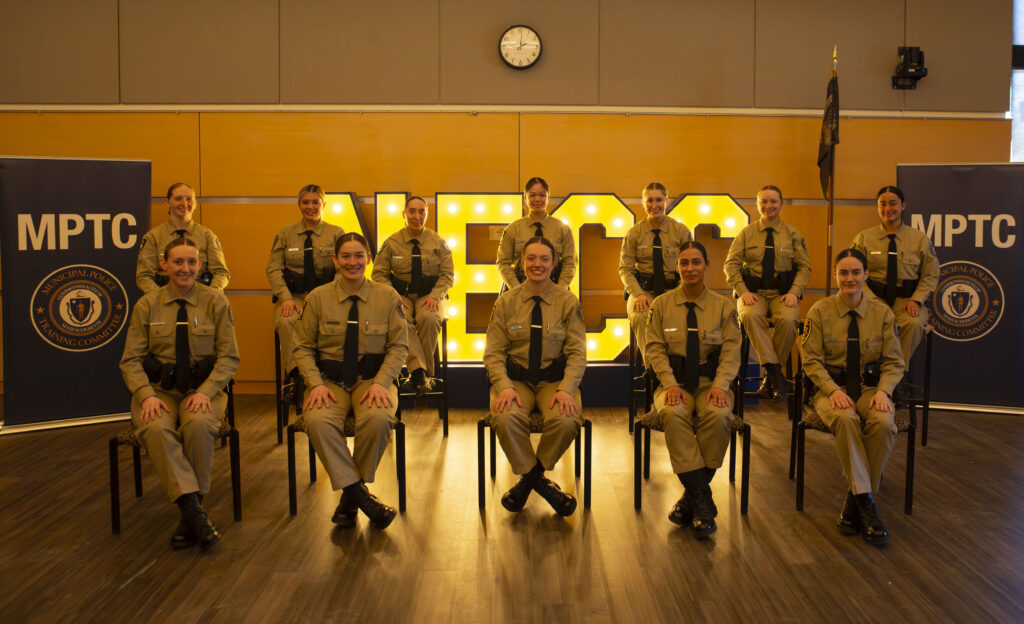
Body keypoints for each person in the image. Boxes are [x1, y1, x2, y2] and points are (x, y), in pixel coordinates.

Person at [120, 237, 240, 551]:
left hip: (204, 390)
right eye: (178, 262)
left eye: (191, 262)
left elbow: (229, 357)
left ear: (200, 265)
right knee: (156, 428)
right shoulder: (147, 304)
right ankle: (193, 510)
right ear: (165, 265)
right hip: (159, 391)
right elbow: (131, 360)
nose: (185, 268)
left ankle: (190, 513)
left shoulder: (216, 302)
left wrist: (207, 391)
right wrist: (145, 395)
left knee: (199, 425)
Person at [292, 232, 408, 529]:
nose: (352, 262)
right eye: (346, 256)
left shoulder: (387, 296)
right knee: (316, 420)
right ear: (335, 260)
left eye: (359, 256)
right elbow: (302, 347)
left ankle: (350, 496)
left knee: (380, 418)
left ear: (368, 260)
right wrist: (315, 384)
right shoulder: (317, 298)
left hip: (373, 381)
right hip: (329, 383)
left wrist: (382, 382)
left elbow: (399, 347)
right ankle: (359, 495)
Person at [800, 248, 905, 546]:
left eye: (855, 272)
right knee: (845, 419)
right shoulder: (819, 311)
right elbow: (810, 361)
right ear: (835, 276)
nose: (849, 278)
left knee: (884, 424)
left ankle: (855, 497)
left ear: (866, 275)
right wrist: (832, 391)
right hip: (831, 389)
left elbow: (894, 361)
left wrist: (885, 391)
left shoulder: (882, 313)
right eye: (843, 272)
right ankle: (868, 508)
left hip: (872, 389)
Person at [484, 236, 586, 516]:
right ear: (521, 263)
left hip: (555, 382)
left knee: (567, 420)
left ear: (554, 264)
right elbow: (493, 353)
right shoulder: (505, 303)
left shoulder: (567, 302)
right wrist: (503, 386)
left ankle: (527, 482)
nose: (537, 264)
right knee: (504, 418)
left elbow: (578, 353)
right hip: (516, 382)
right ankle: (541, 483)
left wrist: (566, 389)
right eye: (531, 258)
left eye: (544, 259)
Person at [645, 241, 741, 538]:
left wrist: (722, 385)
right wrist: (670, 383)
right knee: (672, 413)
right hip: (672, 383)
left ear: (707, 266)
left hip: (711, 384)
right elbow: (654, 350)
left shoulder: (723, 307)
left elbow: (731, 352)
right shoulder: (660, 305)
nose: (690, 269)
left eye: (696, 262)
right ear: (677, 267)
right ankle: (702, 499)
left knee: (719, 414)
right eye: (684, 263)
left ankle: (692, 498)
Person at [723, 185, 811, 400]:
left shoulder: (792, 234)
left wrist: (794, 292)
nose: (768, 206)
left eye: (773, 201)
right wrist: (742, 291)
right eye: (764, 201)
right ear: (757, 205)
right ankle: (775, 375)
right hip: (754, 294)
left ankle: (771, 376)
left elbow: (804, 267)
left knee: (789, 320)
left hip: (782, 294)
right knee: (750, 315)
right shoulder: (746, 234)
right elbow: (730, 265)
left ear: (781, 204)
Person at [851, 185, 938, 392]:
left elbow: (931, 274)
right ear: (877, 207)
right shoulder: (863, 238)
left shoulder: (919, 239)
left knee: (913, 323)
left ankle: (895, 379)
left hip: (906, 301)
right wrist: (870, 298)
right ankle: (867, 377)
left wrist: (917, 300)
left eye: (893, 203)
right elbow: (853, 273)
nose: (888, 208)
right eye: (883, 204)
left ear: (903, 206)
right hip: (872, 300)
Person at [266, 184, 344, 396]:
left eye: (315, 202)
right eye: (305, 202)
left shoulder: (336, 233)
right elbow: (273, 269)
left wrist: (333, 296)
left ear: (323, 204)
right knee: (285, 320)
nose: (310, 206)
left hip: (328, 298)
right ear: (299, 205)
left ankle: (333, 377)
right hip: (296, 298)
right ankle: (297, 377)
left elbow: (343, 269)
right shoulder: (285, 235)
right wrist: (286, 298)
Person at [372, 196, 454, 397]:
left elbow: (447, 275)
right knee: (400, 318)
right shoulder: (391, 243)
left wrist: (435, 296)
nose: (417, 216)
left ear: (426, 214)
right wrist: (392, 295)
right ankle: (422, 374)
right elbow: (378, 274)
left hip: (430, 295)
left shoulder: (438, 242)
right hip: (402, 295)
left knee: (429, 318)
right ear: (404, 214)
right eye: (412, 211)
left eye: (421, 212)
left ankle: (419, 373)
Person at [618, 182, 692, 356]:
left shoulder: (680, 231)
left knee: (688, 315)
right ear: (643, 203)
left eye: (659, 200)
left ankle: (677, 367)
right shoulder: (634, 233)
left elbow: (690, 267)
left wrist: (683, 293)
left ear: (667, 201)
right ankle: (652, 371)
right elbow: (625, 269)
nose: (654, 205)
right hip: (644, 291)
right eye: (649, 200)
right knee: (639, 316)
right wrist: (638, 294)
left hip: (674, 291)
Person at [137, 182, 230, 293]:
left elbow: (221, 273)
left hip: (201, 299)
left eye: (189, 199)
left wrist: (210, 296)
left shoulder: (207, 236)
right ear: (167, 202)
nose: (184, 203)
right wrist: (161, 299)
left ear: (195, 203)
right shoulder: (153, 237)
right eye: (178, 198)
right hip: (164, 299)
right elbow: (144, 277)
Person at [496, 177, 577, 291]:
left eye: (542, 195)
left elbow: (570, 262)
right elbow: (503, 263)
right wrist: (517, 290)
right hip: (519, 292)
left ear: (548, 197)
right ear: (525, 198)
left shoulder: (563, 229)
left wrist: (559, 290)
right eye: (532, 195)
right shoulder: (512, 229)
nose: (537, 199)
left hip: (555, 290)